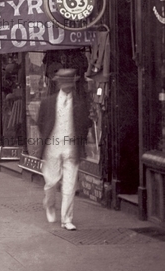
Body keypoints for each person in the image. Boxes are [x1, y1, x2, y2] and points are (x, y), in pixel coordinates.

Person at [37, 68, 92, 231]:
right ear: (58, 83)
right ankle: (49, 204)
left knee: (69, 185)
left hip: (72, 147)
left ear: (73, 83)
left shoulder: (80, 103)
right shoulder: (48, 102)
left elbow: (84, 125)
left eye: (69, 83)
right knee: (51, 182)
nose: (67, 86)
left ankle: (66, 219)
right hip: (53, 146)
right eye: (64, 83)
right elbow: (41, 123)